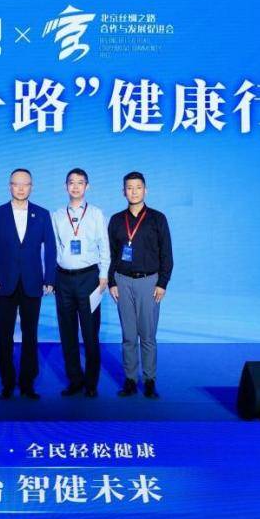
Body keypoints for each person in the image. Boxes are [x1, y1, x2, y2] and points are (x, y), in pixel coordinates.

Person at [0, 168, 57, 400]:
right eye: (16, 184)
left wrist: (50, 278)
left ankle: (27, 383)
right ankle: (7, 383)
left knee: (30, 335)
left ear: (31, 187)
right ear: (10, 186)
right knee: (4, 335)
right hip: (4, 283)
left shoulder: (42, 214)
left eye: (25, 184)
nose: (21, 188)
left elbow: (51, 248)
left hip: (33, 282)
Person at [107, 171, 173, 399]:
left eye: (138, 187)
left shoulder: (157, 218)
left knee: (147, 335)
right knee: (128, 335)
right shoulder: (116, 220)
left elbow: (167, 254)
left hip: (149, 282)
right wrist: (112, 281)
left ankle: (150, 380)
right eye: (129, 187)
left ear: (146, 190)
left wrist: (162, 283)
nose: (133, 192)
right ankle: (130, 380)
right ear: (123, 191)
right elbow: (110, 254)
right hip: (122, 281)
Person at [51, 168, 110, 398]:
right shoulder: (57, 215)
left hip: (89, 279)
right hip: (63, 279)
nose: (75, 186)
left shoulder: (96, 214)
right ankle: (75, 380)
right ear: (65, 186)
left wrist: (103, 275)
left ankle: (91, 383)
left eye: (80, 182)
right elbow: (54, 248)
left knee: (90, 333)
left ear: (87, 186)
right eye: (71, 182)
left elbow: (104, 246)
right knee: (67, 333)